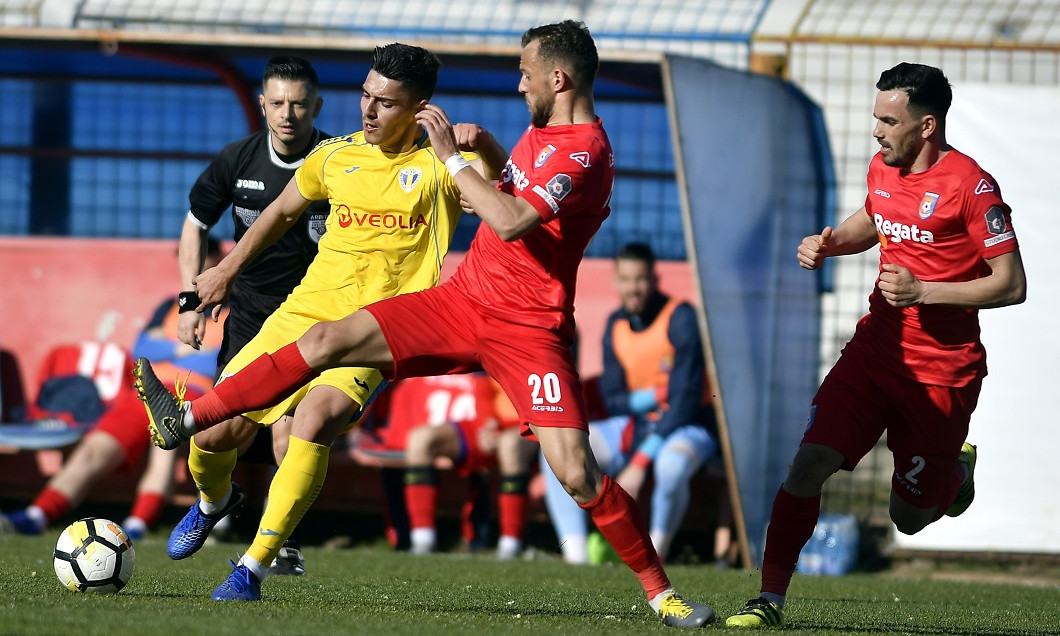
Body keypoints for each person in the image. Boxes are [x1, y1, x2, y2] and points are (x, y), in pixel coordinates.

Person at [135, 21, 715, 628]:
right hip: (462, 301)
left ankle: (662, 594)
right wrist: (489, 147)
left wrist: (451, 159)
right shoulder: (541, 133)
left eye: (525, 72)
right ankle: (189, 419)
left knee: (575, 470)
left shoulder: (583, 150)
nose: (519, 84)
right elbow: (506, 186)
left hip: (527, 329)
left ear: (558, 77)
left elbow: (511, 218)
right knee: (325, 338)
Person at [142, 42, 493, 601]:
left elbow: (494, 201)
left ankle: (252, 568)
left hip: (378, 330)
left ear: (421, 108)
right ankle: (214, 502)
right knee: (215, 434)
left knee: (312, 421)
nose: (369, 111)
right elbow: (279, 213)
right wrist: (225, 273)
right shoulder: (335, 157)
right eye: (366, 96)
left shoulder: (438, 166)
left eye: (386, 103)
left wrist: (482, 152)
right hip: (301, 316)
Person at [725, 62, 1026, 629]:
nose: (877, 130)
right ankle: (769, 600)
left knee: (908, 518)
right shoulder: (882, 168)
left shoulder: (972, 187)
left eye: (889, 120)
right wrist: (831, 242)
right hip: (875, 352)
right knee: (808, 463)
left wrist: (924, 291)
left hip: (942, 372)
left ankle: (954, 476)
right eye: (875, 118)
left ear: (927, 125)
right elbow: (875, 216)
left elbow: (1012, 283)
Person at [173, 55, 332, 577]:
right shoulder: (237, 161)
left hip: (318, 318)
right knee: (216, 435)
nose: (288, 114)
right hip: (249, 319)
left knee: (292, 430)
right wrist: (189, 302)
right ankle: (214, 502)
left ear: (316, 107)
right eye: (278, 103)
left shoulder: (337, 162)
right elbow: (195, 225)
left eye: (299, 104)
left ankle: (278, 545)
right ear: (262, 104)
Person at [0, 238, 227, 540]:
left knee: (163, 450)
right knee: (96, 447)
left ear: (216, 260)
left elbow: (219, 360)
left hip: (193, 396)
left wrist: (169, 346)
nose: (191, 268)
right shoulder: (168, 306)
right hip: (146, 392)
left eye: (199, 258)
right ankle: (36, 515)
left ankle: (136, 526)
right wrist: (186, 349)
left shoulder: (232, 310)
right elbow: (141, 350)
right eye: (185, 260)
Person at [541, 241, 723, 565]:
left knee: (671, 465)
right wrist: (657, 395)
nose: (633, 288)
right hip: (637, 425)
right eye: (626, 280)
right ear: (616, 281)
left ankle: (655, 557)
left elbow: (683, 404)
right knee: (558, 449)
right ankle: (576, 557)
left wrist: (639, 464)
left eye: (640, 279)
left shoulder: (680, 317)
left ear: (654, 279)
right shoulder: (616, 325)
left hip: (688, 426)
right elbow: (614, 400)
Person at [393, 373, 533, 558]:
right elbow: (482, 381)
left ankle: (510, 545)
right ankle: (423, 541)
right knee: (420, 439)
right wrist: (488, 423)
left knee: (510, 446)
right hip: (486, 420)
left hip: (529, 422)